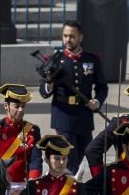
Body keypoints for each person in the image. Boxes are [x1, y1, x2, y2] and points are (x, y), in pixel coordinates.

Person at [37, 20, 107, 173]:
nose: (68, 40)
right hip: (63, 115)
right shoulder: (54, 61)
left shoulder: (91, 59)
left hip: (84, 115)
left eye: (72, 36)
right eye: (65, 36)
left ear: (80, 37)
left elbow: (102, 86)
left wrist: (97, 101)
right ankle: (69, 191)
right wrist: (49, 83)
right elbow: (43, 91)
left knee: (85, 153)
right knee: (69, 158)